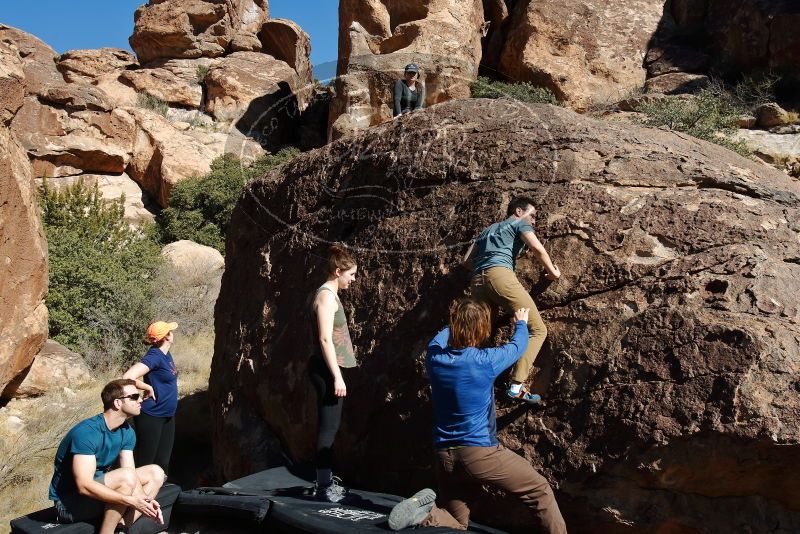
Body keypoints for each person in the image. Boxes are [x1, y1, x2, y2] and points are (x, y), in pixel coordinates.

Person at [388, 299, 567, 532]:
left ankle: (425, 515)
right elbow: (517, 347)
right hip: (479, 455)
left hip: (445, 458)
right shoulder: (484, 361)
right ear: (481, 330)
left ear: (456, 325)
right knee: (539, 489)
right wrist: (521, 323)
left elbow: (439, 339)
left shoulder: (435, 359)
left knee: (458, 523)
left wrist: (463, 319)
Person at [462, 196, 561, 404]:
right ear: (518, 211)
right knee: (537, 329)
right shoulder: (519, 223)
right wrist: (552, 273)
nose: (533, 221)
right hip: (501, 277)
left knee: (481, 335)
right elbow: (536, 249)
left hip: (477, 282)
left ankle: (484, 381)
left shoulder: (485, 231)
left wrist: (486, 268)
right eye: (532, 215)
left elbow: (466, 261)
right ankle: (516, 385)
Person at [48, 378, 165, 534]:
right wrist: (130, 500)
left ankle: (122, 527)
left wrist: (147, 502)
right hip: (68, 505)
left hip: (97, 495)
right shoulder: (87, 432)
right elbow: (83, 486)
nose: (141, 400)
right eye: (134, 397)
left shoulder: (127, 431)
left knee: (155, 472)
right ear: (117, 403)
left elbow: (131, 473)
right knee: (125, 479)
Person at [310, 244, 358, 502]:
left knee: (331, 425)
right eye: (350, 274)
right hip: (327, 369)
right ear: (337, 271)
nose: (353, 279)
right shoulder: (327, 296)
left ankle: (324, 481)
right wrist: (337, 376)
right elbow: (325, 339)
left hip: (330, 368)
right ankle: (323, 487)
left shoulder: (330, 294)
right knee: (328, 428)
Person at [123, 321, 179, 475]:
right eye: (170, 331)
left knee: (163, 462)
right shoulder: (155, 356)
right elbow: (128, 376)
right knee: (146, 462)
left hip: (168, 415)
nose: (173, 333)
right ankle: (138, 495)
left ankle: (159, 494)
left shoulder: (166, 354)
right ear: (167, 337)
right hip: (152, 415)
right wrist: (147, 387)